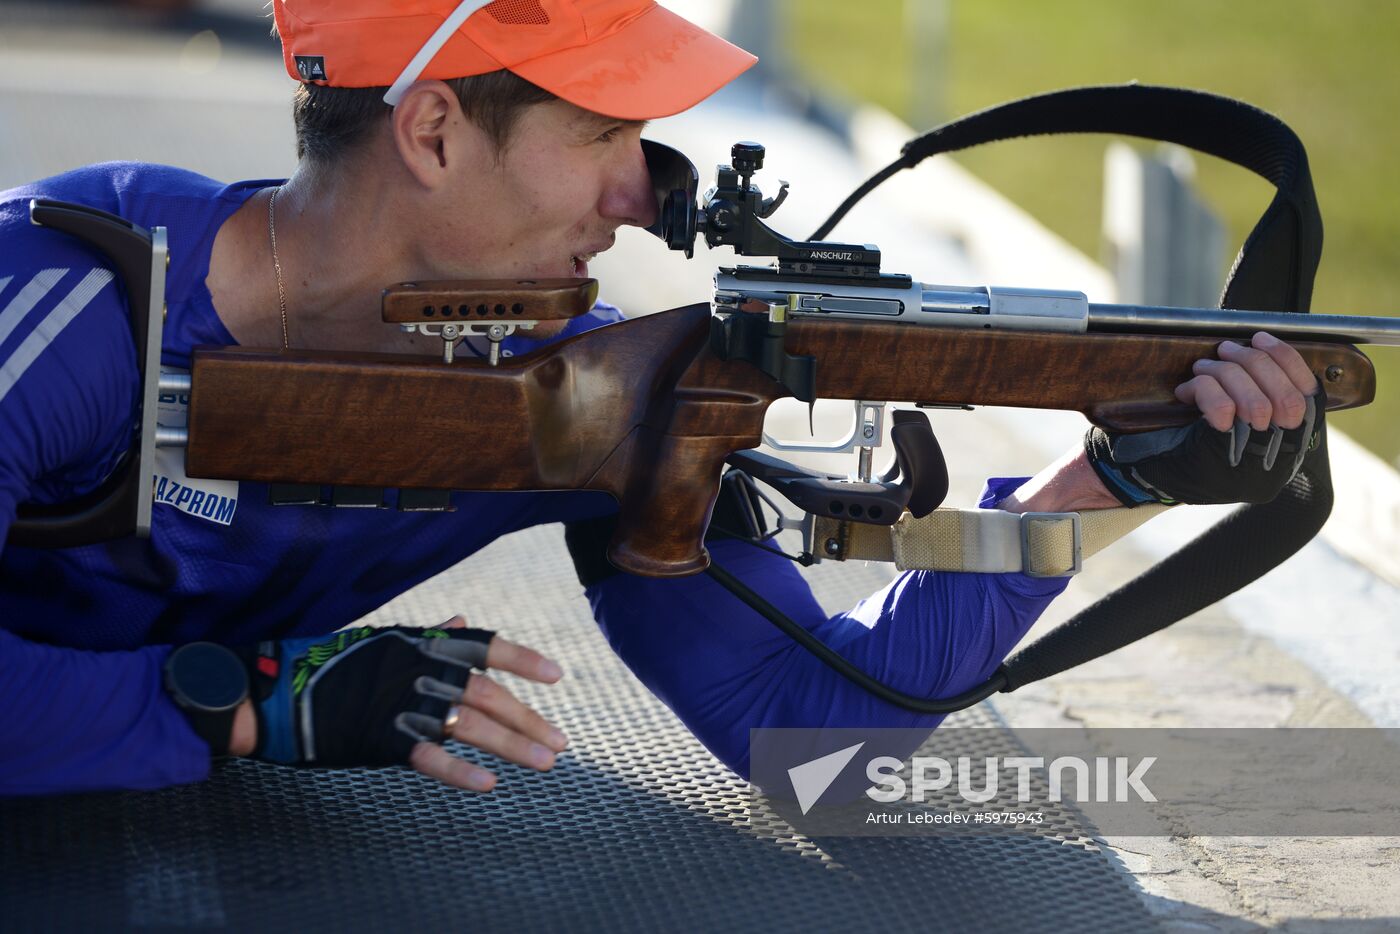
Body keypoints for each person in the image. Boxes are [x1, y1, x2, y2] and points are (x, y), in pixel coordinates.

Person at [0, 0, 1321, 796]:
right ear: (435, 129)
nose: (644, 193)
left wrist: (1107, 485)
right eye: (601, 135)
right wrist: (242, 705)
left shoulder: (577, 388)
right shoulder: (68, 305)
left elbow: (814, 742)